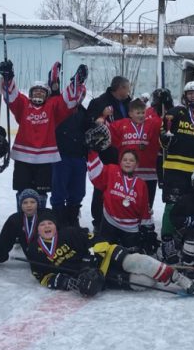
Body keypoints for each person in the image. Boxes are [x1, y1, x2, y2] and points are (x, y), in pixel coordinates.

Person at [25, 211, 194, 296]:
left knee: (139, 262)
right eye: (42, 225)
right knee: (144, 282)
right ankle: (160, 272)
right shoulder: (34, 250)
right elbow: (43, 276)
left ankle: (176, 277)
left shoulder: (69, 233)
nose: (47, 227)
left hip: (106, 255)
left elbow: (96, 238)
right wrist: (65, 282)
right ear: (37, 229)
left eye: (50, 223)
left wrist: (93, 255)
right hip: (98, 275)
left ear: (55, 225)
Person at [0, 60, 86, 209]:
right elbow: (12, 96)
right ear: (30, 94)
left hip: (45, 159)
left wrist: (76, 82)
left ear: (47, 95)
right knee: (23, 191)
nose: (38, 93)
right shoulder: (23, 105)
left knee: (41, 193)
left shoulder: (52, 107)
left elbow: (67, 100)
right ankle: (23, 221)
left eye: (42, 91)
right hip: (23, 157)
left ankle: (39, 222)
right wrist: (8, 77)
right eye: (35, 91)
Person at [159, 81, 194, 262]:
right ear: (185, 95)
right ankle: (167, 242)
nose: (193, 96)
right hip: (174, 169)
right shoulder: (175, 113)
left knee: (193, 207)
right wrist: (164, 139)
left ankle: (187, 240)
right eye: (190, 93)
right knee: (171, 205)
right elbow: (163, 136)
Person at [86, 148, 156, 254]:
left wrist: (148, 228)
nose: (128, 162)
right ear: (120, 162)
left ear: (136, 165)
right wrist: (92, 152)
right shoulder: (112, 171)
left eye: (131, 160)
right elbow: (97, 173)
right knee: (103, 254)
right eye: (125, 160)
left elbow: (144, 207)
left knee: (129, 257)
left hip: (131, 227)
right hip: (110, 221)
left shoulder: (141, 183)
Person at [87, 76, 132, 230]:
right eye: (127, 88)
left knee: (122, 188)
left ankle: (119, 219)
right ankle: (98, 222)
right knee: (102, 187)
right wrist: (100, 116)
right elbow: (89, 123)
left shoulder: (129, 103)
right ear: (119, 88)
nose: (129, 91)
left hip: (125, 155)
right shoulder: (99, 102)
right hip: (106, 154)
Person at [52, 65, 92, 228]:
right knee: (59, 190)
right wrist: (55, 81)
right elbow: (55, 91)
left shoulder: (84, 112)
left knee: (78, 191)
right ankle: (59, 219)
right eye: (77, 92)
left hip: (79, 157)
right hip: (61, 156)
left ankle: (73, 217)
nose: (79, 96)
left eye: (82, 94)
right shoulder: (59, 107)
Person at [108, 98, 163, 208]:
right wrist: (101, 118)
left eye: (143, 112)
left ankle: (145, 222)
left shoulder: (152, 124)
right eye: (137, 113)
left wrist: (162, 105)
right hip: (128, 171)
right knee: (129, 202)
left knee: (146, 203)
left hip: (149, 173)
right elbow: (107, 131)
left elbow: (164, 121)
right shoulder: (121, 125)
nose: (141, 115)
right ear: (130, 114)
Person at [0, 189, 52, 268]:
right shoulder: (15, 219)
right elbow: (5, 240)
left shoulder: (47, 214)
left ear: (38, 204)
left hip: (54, 255)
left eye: (32, 202)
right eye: (25, 202)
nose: (29, 205)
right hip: (31, 255)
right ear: (20, 205)